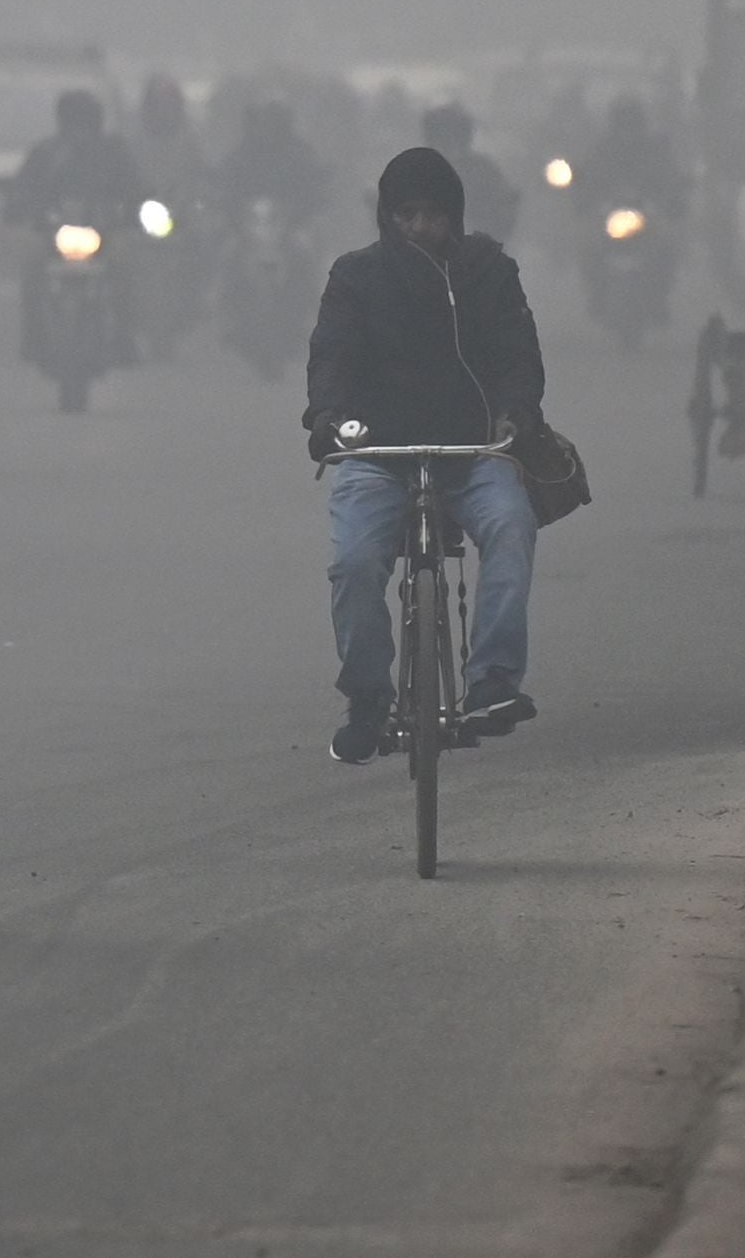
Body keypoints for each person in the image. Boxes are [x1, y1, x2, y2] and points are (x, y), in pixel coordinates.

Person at [303, 147, 546, 764]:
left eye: (433, 215)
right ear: (387, 216)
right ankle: (366, 702)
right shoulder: (355, 277)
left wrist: (515, 414)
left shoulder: (488, 270)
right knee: (355, 565)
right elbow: (330, 359)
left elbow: (519, 359)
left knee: (513, 527)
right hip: (379, 455)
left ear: (455, 217)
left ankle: (493, 681)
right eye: (405, 214)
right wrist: (329, 419)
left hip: (472, 451)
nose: (419, 227)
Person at [3, 89, 148, 363]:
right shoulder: (45, 152)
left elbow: (135, 187)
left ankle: (123, 335)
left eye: (85, 120)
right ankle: (33, 336)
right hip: (54, 234)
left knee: (123, 264)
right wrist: (19, 206)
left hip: (103, 232)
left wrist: (136, 210)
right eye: (74, 120)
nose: (80, 129)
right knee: (32, 264)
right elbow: (23, 187)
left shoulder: (113, 152)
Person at [212, 98, 331, 231]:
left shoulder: (300, 153)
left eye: (275, 122)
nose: (268, 130)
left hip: (292, 222)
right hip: (246, 223)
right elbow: (228, 186)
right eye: (264, 123)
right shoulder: (242, 154)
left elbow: (312, 186)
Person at [419, 102, 521, 245]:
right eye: (441, 137)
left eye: (454, 137)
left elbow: (502, 216)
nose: (448, 143)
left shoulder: (484, 171)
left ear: (464, 138)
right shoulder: (416, 170)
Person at [574, 96, 687, 224]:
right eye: (622, 125)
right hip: (608, 216)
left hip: (650, 216)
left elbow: (670, 177)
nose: (627, 133)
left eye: (631, 125)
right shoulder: (602, 150)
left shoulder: (656, 150)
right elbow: (590, 177)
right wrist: (589, 199)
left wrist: (670, 200)